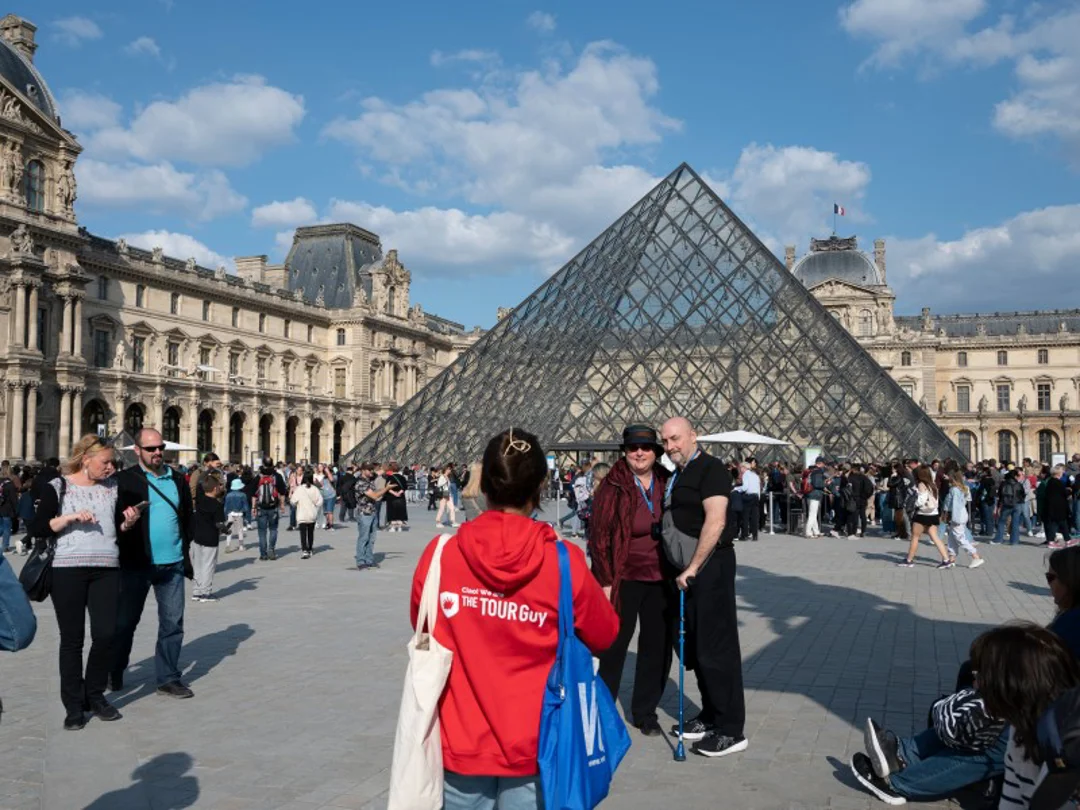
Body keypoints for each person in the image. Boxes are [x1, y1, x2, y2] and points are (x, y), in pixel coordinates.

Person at [409, 427, 619, 808]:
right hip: (537, 744)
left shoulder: (439, 556)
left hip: (459, 743)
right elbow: (606, 635)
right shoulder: (564, 563)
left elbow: (424, 626)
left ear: (484, 485)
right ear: (540, 487)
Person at [851, 623, 1080, 806]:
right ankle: (902, 755)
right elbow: (1014, 799)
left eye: (980, 675)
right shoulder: (1020, 733)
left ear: (1011, 685)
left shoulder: (1063, 744)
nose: (976, 682)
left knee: (991, 744)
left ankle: (901, 783)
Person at [30, 436, 140, 730]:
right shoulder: (58, 487)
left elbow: (119, 525)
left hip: (106, 568)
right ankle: (74, 705)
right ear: (85, 460)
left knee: (105, 635)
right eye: (105, 462)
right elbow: (38, 527)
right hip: (67, 569)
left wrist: (128, 522)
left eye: (112, 462)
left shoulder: (114, 487)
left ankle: (95, 695)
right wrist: (69, 518)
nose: (110, 468)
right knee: (72, 640)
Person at [659, 416, 747, 758]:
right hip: (688, 569)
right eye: (666, 441)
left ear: (693, 436)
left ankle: (730, 729)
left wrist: (693, 567)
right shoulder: (680, 473)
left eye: (676, 439)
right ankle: (710, 715)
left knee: (717, 648)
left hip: (709, 567)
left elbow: (717, 520)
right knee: (697, 647)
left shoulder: (710, 469)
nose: (670, 446)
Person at [589, 425, 673, 736]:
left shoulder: (667, 481)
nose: (639, 452)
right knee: (613, 645)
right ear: (625, 451)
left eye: (646, 447)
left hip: (661, 577)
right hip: (623, 577)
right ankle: (603, 710)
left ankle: (645, 711)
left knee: (657, 647)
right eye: (633, 447)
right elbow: (598, 536)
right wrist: (605, 579)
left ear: (656, 452)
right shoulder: (614, 485)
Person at [112, 428, 195, 699]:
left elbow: (187, 518)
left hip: (172, 563)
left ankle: (168, 678)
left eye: (160, 447)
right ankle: (116, 667)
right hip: (136, 563)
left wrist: (183, 548)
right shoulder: (124, 480)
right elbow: (114, 523)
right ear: (137, 451)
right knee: (125, 623)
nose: (158, 452)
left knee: (173, 623)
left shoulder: (179, 479)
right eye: (151, 449)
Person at [897, 466, 952, 569]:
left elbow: (921, 500)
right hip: (933, 514)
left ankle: (909, 560)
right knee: (936, 538)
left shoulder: (922, 484)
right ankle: (946, 560)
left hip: (922, 515)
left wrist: (914, 503)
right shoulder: (933, 485)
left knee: (915, 537)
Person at [354, 462, 398, 570]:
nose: (371, 472)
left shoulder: (369, 480)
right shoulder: (360, 483)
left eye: (371, 470)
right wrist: (386, 489)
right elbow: (374, 495)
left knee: (372, 538)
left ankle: (369, 560)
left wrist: (389, 466)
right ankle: (361, 561)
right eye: (369, 470)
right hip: (364, 513)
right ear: (363, 470)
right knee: (364, 538)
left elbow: (380, 472)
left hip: (372, 512)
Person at [190, 474, 225, 602]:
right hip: (210, 538)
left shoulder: (199, 500)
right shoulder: (217, 505)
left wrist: (207, 475)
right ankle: (206, 593)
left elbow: (199, 486)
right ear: (215, 489)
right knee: (208, 565)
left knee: (198, 565)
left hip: (197, 537)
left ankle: (196, 592)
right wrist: (226, 529)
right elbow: (219, 524)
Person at [943, 470, 986, 569]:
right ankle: (952, 558)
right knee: (952, 537)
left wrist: (953, 517)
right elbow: (966, 501)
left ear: (953, 478)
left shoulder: (954, 489)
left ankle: (975, 556)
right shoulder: (963, 488)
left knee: (959, 537)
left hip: (957, 515)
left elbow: (955, 505)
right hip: (961, 513)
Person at [247, 459, 287, 561]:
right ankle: (271, 550)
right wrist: (282, 505)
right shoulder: (276, 476)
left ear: (263, 464)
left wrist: (253, 507)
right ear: (272, 465)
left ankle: (263, 554)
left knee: (262, 532)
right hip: (273, 507)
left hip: (261, 507)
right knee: (273, 530)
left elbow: (254, 495)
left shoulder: (258, 477)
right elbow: (282, 492)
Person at [291, 472, 323, 559]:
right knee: (310, 533)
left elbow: (293, 501)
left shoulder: (299, 489)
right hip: (312, 514)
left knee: (303, 533)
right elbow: (320, 501)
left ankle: (304, 550)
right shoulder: (315, 489)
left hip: (302, 514)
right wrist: (315, 506)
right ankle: (310, 549)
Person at [1045, 465, 1074, 549]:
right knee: (1056, 524)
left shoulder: (1051, 481)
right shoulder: (1057, 482)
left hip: (1055, 506)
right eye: (1061, 472)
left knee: (1061, 523)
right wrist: (1069, 490)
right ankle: (1052, 541)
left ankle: (1067, 540)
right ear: (1057, 473)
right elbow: (1063, 493)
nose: (1062, 473)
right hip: (1058, 507)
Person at [222, 478, 250, 553]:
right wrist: (246, 516)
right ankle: (241, 546)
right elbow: (246, 507)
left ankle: (228, 546)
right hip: (239, 514)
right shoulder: (243, 495)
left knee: (229, 530)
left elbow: (226, 507)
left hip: (230, 514)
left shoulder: (228, 495)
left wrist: (225, 516)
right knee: (240, 530)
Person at [383, 462, 409, 532]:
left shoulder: (389, 477)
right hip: (401, 497)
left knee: (392, 511)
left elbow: (387, 487)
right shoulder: (402, 477)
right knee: (400, 512)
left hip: (391, 497)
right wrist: (399, 492)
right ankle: (400, 527)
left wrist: (394, 493)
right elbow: (405, 487)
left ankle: (393, 527)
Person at [804, 456, 826, 538]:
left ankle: (816, 531)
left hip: (809, 493)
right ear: (821, 463)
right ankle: (808, 532)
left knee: (813, 513)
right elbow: (817, 484)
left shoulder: (812, 471)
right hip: (815, 494)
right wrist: (825, 484)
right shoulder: (818, 472)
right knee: (812, 514)